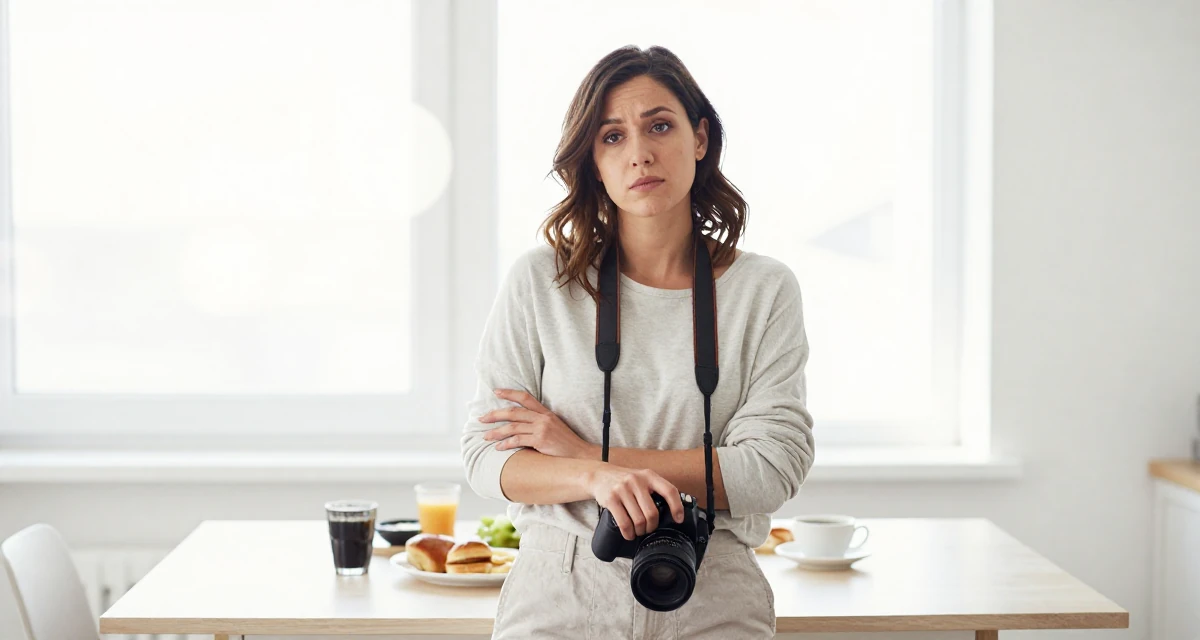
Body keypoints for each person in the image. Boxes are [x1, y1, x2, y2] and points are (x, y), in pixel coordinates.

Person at [461, 45, 815, 639]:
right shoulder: (540, 282)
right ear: (592, 160)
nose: (640, 153)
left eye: (659, 125)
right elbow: (487, 457)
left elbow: (771, 470)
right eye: (612, 137)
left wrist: (578, 454)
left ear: (699, 138)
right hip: (561, 587)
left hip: (713, 585)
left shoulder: (764, 289)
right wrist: (598, 480)